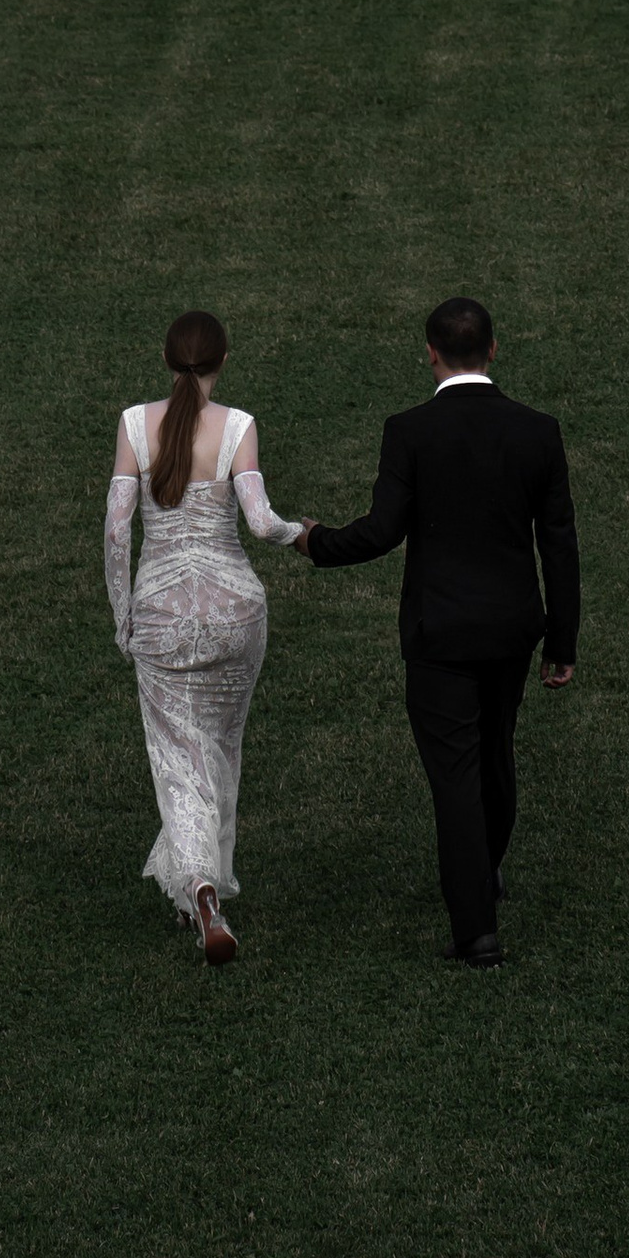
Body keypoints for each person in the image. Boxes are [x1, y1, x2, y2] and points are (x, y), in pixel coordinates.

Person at [299, 295, 579, 968]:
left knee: (455, 775)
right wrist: (561, 642)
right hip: (511, 631)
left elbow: (381, 530)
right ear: (493, 348)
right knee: (496, 754)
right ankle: (484, 870)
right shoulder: (538, 431)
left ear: (430, 354)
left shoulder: (410, 430)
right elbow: (559, 544)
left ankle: (476, 929)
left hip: (440, 633)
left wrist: (315, 542)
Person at [104, 308, 304, 964]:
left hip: (162, 615)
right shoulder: (238, 427)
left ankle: (200, 887)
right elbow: (261, 522)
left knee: (178, 758)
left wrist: (123, 615)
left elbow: (117, 530)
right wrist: (303, 534)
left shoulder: (135, 425)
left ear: (167, 361)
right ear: (222, 361)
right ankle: (202, 883)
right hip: (236, 613)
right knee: (218, 749)